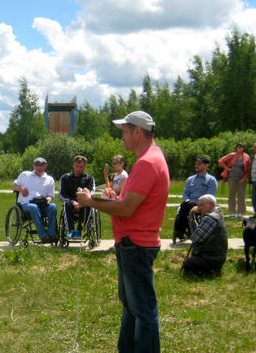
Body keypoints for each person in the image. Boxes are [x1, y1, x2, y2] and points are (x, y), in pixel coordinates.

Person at [77, 111, 169, 353]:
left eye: (124, 132)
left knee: (143, 310)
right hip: (133, 243)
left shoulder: (147, 163)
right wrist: (115, 197)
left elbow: (127, 209)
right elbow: (132, 202)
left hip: (136, 245)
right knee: (131, 305)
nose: (122, 138)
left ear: (138, 131)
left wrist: (91, 201)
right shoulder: (150, 159)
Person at [12, 157, 58, 243]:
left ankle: (52, 233)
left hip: (42, 204)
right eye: (36, 165)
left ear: (45, 166)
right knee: (34, 207)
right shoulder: (25, 175)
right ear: (33, 166)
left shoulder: (49, 179)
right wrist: (21, 189)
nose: (38, 168)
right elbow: (13, 186)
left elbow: (50, 195)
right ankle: (43, 235)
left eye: (41, 166)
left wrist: (48, 199)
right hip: (26, 204)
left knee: (53, 207)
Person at [173, 156, 218, 243]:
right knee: (185, 205)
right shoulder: (190, 179)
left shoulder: (211, 180)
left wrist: (198, 203)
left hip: (203, 205)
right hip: (189, 203)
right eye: (196, 164)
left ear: (206, 165)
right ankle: (185, 231)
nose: (196, 166)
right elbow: (185, 193)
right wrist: (188, 200)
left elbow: (210, 196)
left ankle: (180, 231)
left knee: (186, 206)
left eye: (199, 164)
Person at [182, 194, 228, 276]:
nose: (199, 208)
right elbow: (197, 232)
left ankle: (208, 272)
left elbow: (195, 238)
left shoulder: (209, 218)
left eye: (201, 205)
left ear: (211, 204)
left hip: (211, 258)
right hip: (217, 257)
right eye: (198, 206)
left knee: (187, 263)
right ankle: (210, 271)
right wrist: (191, 215)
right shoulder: (216, 215)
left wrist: (193, 234)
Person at [58, 155, 96, 238]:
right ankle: (71, 230)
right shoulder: (65, 177)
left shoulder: (89, 178)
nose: (78, 169)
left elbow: (91, 192)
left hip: (84, 203)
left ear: (85, 166)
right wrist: (73, 201)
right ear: (73, 165)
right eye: (76, 166)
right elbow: (62, 193)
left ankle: (80, 230)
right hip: (71, 202)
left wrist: (82, 202)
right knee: (66, 204)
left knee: (88, 207)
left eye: (81, 167)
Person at [218, 142, 251, 218]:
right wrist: (227, 168)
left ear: (243, 148)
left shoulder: (246, 157)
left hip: (242, 178)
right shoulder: (232, 155)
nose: (240, 148)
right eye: (239, 147)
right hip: (232, 177)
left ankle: (241, 212)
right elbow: (221, 161)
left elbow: (248, 169)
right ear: (236, 148)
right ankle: (232, 212)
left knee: (241, 195)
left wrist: (244, 178)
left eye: (241, 147)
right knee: (232, 194)